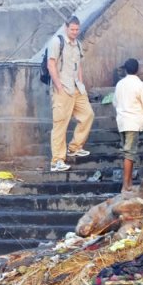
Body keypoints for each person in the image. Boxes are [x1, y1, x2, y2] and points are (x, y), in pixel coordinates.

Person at [46, 16, 92, 172]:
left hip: (76, 87)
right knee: (60, 124)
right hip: (62, 88)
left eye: (77, 29)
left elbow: (78, 66)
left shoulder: (78, 44)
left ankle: (75, 147)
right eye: (72, 29)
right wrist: (58, 86)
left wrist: (81, 83)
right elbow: (51, 64)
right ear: (66, 27)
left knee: (88, 115)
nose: (75, 32)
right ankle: (57, 161)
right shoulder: (57, 42)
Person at [113, 58, 143, 193]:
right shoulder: (139, 85)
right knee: (130, 153)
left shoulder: (120, 84)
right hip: (132, 122)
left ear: (126, 70)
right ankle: (125, 185)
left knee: (128, 152)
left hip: (122, 122)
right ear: (137, 70)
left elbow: (115, 102)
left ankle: (129, 183)